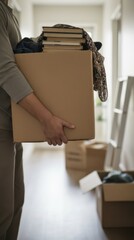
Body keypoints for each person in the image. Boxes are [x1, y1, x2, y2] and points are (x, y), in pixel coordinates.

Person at [0, 0, 75, 239]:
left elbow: (21, 63)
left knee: (15, 205)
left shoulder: (8, 11)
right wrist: (46, 118)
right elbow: (5, 70)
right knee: (3, 213)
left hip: (12, 125)